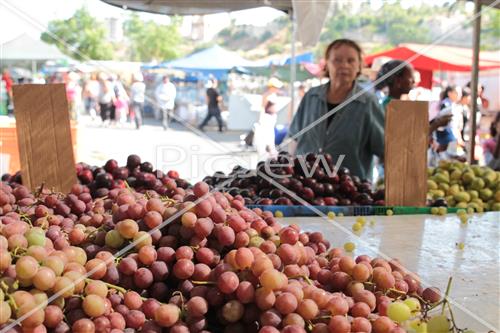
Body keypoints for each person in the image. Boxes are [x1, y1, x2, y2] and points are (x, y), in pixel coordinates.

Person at [287, 39, 384, 180]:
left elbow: (384, 150)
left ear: (359, 66)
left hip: (350, 193)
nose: (344, 65)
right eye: (337, 60)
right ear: (327, 64)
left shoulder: (368, 103)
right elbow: (294, 139)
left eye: (351, 61)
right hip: (305, 186)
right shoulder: (311, 97)